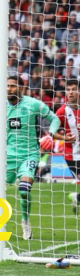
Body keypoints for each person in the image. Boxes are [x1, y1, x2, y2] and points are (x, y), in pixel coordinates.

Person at [0, 76, 60, 241]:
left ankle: (25, 221)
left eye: (13, 86)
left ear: (21, 87)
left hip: (29, 154)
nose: (9, 89)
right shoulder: (1, 107)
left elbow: (54, 119)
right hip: (8, 155)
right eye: (7, 86)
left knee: (24, 190)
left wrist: (51, 135)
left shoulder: (33, 104)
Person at [54, 79, 80, 213]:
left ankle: (77, 197)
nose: (70, 92)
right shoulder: (62, 111)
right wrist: (65, 138)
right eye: (68, 90)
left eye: (73, 89)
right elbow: (52, 133)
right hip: (73, 157)